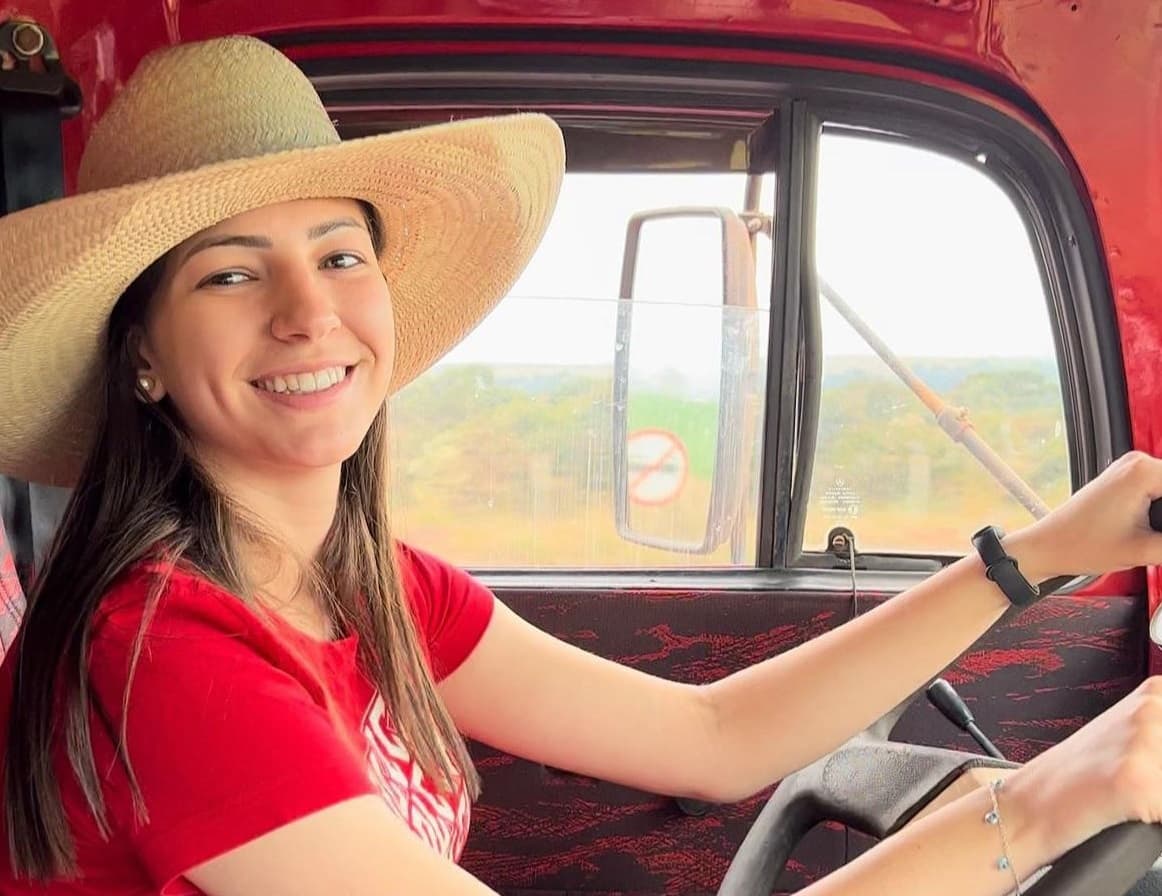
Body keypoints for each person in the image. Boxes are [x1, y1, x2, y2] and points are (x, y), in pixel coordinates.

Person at [0, 33, 1161, 896]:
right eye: (231, 273)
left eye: (340, 252)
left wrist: (1039, 554)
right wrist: (1048, 796)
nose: (312, 313)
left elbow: (710, 739)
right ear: (143, 356)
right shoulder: (162, 654)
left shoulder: (372, 584)